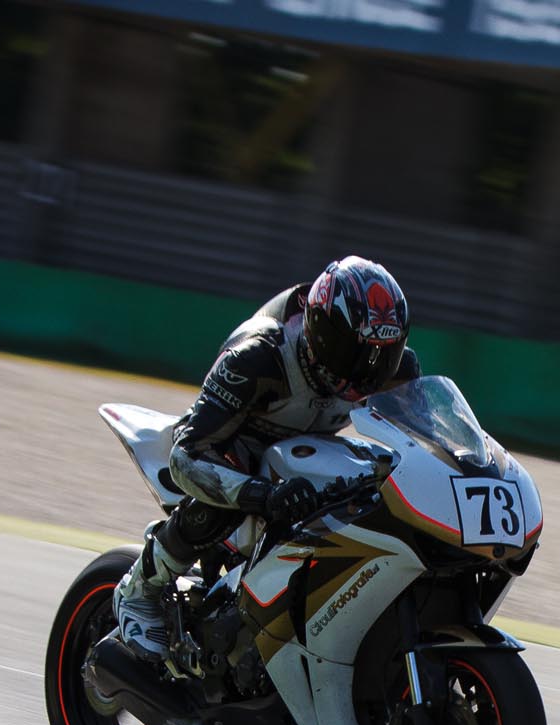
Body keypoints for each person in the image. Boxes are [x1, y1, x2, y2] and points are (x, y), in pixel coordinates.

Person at [107, 255, 418, 665]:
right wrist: (261, 495)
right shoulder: (260, 356)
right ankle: (140, 589)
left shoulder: (395, 370)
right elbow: (188, 454)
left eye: (383, 353)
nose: (368, 370)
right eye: (354, 351)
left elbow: (415, 445)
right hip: (232, 443)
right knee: (233, 480)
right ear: (321, 332)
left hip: (307, 446)